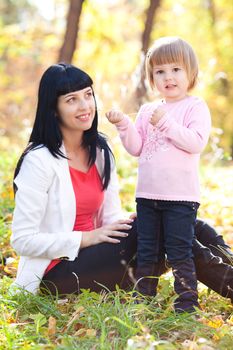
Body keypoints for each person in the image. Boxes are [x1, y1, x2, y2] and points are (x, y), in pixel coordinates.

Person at [11, 63, 233, 307]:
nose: (85, 106)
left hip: (103, 259)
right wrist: (87, 238)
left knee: (188, 223)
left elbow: (111, 217)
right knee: (165, 226)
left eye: (87, 95)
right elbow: (22, 240)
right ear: (53, 109)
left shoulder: (99, 151)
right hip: (58, 272)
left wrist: (132, 221)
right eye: (71, 100)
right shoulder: (38, 160)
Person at [106, 37, 212, 312]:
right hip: (147, 195)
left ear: (190, 73)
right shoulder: (147, 109)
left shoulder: (195, 106)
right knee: (147, 251)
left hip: (180, 197)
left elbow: (195, 142)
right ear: (152, 78)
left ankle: (186, 303)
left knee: (179, 251)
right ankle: (144, 297)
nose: (168, 77)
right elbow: (137, 147)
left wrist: (165, 123)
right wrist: (124, 126)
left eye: (176, 69)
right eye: (160, 71)